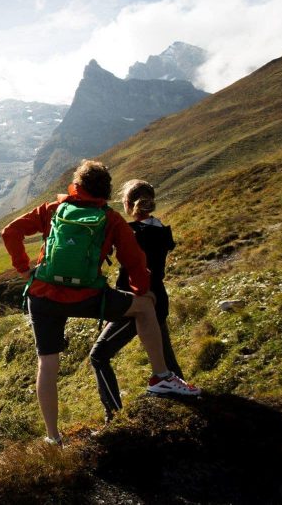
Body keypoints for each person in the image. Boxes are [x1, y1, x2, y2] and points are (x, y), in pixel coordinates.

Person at [1, 160, 199, 445]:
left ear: (77, 186)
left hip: (42, 296)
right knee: (144, 307)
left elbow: (9, 232)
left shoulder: (53, 209)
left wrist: (23, 269)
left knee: (47, 363)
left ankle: (53, 438)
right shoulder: (112, 219)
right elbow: (134, 261)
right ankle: (161, 377)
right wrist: (143, 290)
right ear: (105, 191)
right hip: (88, 297)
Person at [90, 180, 188, 423]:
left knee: (99, 356)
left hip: (136, 303)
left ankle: (113, 416)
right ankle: (186, 404)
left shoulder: (130, 231)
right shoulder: (162, 230)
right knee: (165, 361)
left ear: (127, 203)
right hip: (159, 301)